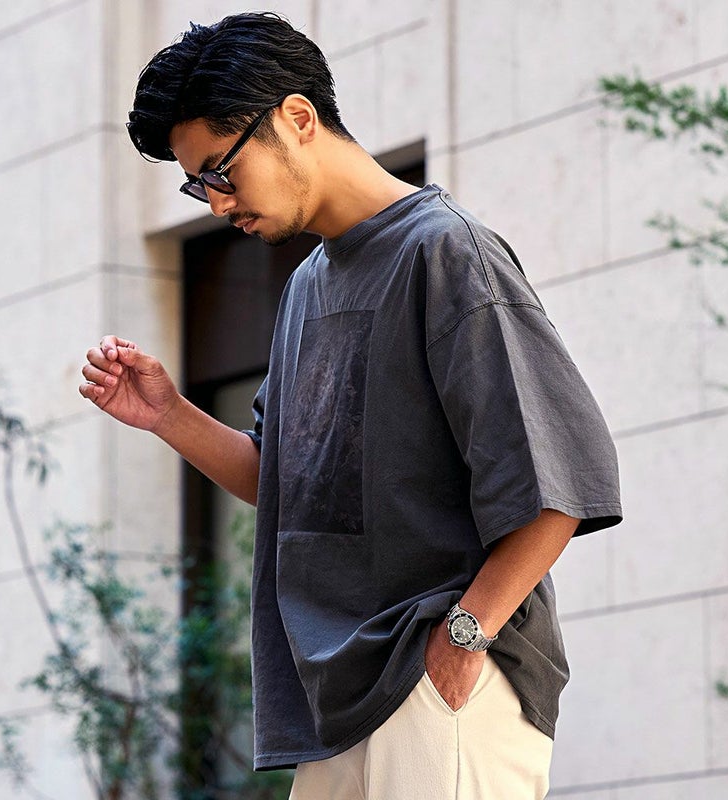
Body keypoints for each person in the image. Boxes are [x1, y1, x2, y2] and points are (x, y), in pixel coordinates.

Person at [79, 12, 623, 800]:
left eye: (220, 172)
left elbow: (562, 480)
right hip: (339, 705)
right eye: (198, 185)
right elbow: (286, 483)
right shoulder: (309, 285)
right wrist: (169, 414)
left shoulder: (445, 251)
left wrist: (463, 639)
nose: (216, 204)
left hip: (440, 685)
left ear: (297, 118)